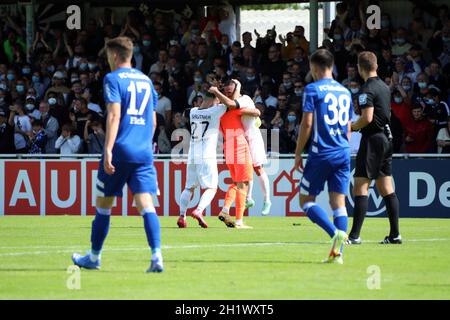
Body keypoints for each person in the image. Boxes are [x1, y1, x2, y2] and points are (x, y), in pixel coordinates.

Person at [71, 37, 163, 273]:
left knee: (103, 205)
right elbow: (153, 121)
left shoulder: (112, 79)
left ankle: (94, 257)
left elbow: (114, 115)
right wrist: (143, 144)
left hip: (120, 149)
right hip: (143, 152)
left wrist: (108, 149)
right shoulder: (146, 81)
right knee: (146, 205)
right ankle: (156, 257)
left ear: (114, 56)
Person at [294, 49, 352, 264]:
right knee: (339, 203)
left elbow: (307, 123)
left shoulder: (312, 89)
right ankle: (338, 254)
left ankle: (334, 234)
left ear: (314, 68)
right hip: (343, 151)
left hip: (321, 153)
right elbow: (347, 126)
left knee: (306, 201)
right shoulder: (345, 92)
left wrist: (299, 152)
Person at [348, 51, 402, 245]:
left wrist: (352, 127)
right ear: (376, 66)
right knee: (386, 187)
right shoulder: (384, 87)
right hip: (387, 139)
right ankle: (395, 235)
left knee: (361, 186)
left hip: (372, 140)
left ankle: (354, 236)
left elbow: (367, 118)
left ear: (360, 68)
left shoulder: (367, 89)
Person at [211, 79, 272, 215]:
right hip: (240, 140)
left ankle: (267, 200)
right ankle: (248, 198)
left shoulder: (244, 99)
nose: (228, 92)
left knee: (257, 168)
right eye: (226, 90)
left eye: (231, 89)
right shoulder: (225, 107)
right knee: (245, 171)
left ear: (237, 89)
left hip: (252, 137)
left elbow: (242, 108)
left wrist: (256, 112)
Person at [177, 92, 226, 228]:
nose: (218, 103)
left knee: (189, 187)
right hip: (206, 155)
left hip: (192, 154)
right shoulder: (215, 111)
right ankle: (199, 211)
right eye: (216, 100)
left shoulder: (193, 112)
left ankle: (182, 216)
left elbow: (184, 114)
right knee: (212, 187)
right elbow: (229, 103)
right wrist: (218, 92)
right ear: (212, 101)